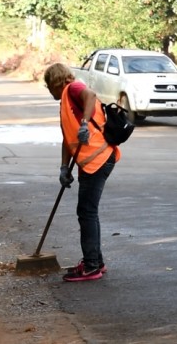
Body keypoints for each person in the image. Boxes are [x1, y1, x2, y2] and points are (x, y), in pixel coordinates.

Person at [43, 63, 120, 282]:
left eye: (49, 86)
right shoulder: (66, 103)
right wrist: (64, 167)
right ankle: (95, 261)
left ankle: (91, 267)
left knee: (86, 212)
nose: (49, 91)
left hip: (98, 159)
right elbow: (67, 140)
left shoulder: (73, 88)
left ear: (55, 82)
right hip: (92, 162)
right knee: (88, 211)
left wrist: (84, 124)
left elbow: (90, 95)